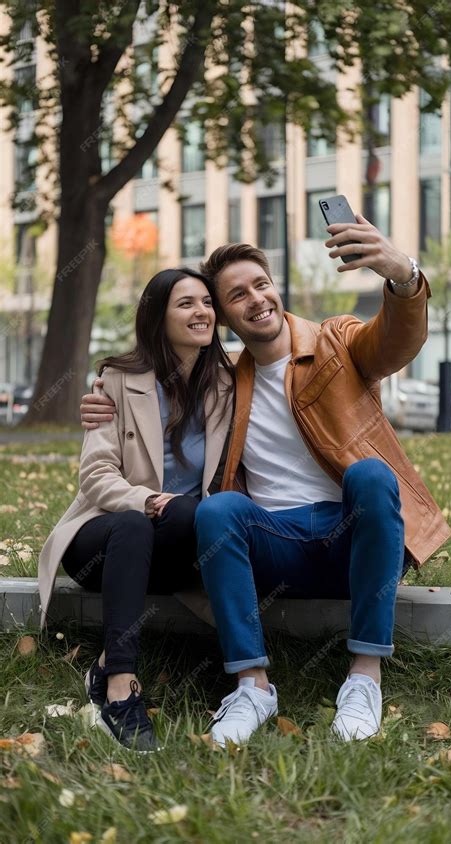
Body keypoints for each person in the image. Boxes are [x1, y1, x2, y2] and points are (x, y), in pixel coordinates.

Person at [81, 214, 451, 747]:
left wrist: (402, 276)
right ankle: (251, 687)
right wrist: (103, 398)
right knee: (218, 509)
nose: (256, 299)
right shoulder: (225, 381)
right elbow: (163, 379)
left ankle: (364, 677)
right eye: (236, 295)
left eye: (261, 284)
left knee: (371, 474)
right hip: (274, 548)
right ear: (224, 317)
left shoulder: (338, 340)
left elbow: (394, 342)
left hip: (354, 540)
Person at [39, 268, 233, 752]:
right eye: (186, 303)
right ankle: (120, 686)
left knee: (190, 514)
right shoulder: (118, 380)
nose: (202, 312)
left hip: (176, 540)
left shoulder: (229, 385)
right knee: (133, 523)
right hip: (102, 539)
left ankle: (102, 668)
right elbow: (96, 476)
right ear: (157, 316)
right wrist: (146, 500)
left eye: (208, 303)